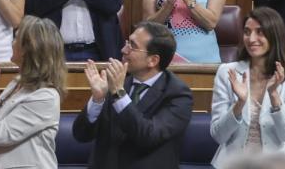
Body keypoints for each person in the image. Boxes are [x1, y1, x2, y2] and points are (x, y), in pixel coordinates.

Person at [73, 21, 194, 168]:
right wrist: (98, 99)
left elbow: (148, 136)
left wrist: (119, 94)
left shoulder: (178, 94)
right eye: (127, 43)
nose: (124, 50)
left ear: (153, 60)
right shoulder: (117, 84)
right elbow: (81, 135)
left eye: (132, 46)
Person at [210, 6, 285, 166]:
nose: (251, 38)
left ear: (274, 36)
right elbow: (219, 135)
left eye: (259, 32)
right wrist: (239, 104)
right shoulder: (227, 72)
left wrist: (274, 95)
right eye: (247, 32)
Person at [0, 16, 64, 168]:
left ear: (28, 48)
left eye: (16, 39)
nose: (12, 43)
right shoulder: (17, 83)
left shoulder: (46, 97)